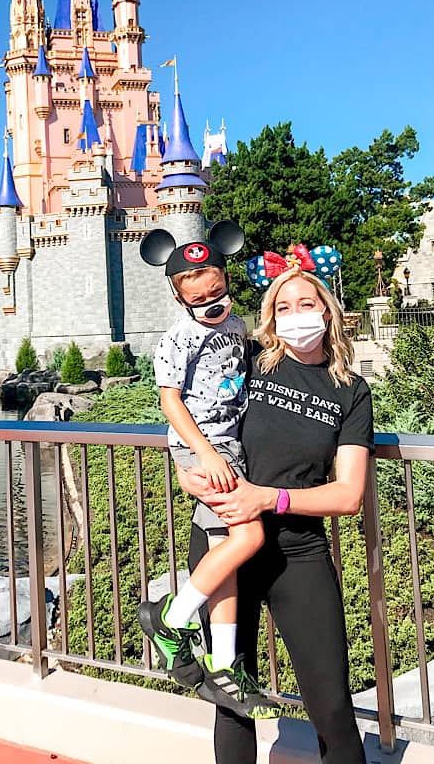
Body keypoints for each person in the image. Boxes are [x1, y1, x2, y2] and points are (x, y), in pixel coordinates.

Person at [177, 245, 374, 764]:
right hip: (225, 543)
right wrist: (187, 472)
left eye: (305, 304)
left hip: (298, 552)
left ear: (326, 310)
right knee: (233, 699)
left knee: (330, 700)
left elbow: (349, 493)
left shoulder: (351, 392)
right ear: (269, 317)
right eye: (282, 307)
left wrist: (270, 497)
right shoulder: (246, 360)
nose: (294, 316)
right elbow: (188, 415)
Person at [136, 223, 274, 718]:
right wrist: (205, 455)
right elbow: (169, 400)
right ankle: (170, 617)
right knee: (250, 537)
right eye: (199, 300)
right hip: (208, 449)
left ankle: (221, 665)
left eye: (217, 293)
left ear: (226, 279)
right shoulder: (178, 339)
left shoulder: (236, 327)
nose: (212, 305)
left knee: (226, 560)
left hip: (230, 444)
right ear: (178, 298)